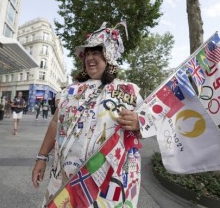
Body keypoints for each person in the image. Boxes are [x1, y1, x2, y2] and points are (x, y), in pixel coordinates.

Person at [32, 22, 144, 207]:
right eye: (87, 53)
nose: (90, 58)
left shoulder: (128, 91)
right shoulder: (70, 91)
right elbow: (55, 123)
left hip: (107, 181)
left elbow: (144, 128)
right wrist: (42, 158)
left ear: (109, 56)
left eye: (96, 52)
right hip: (66, 176)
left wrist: (138, 123)